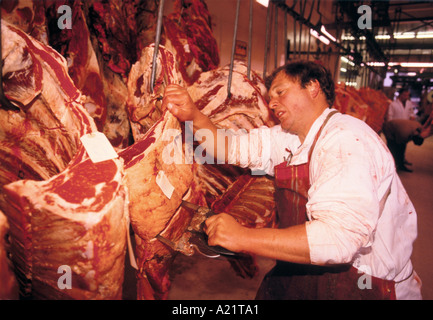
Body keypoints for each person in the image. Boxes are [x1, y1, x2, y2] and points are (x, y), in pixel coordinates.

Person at [162, 61, 422, 300]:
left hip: (365, 284)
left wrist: (242, 237)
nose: (272, 103)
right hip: (307, 270)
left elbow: (338, 240)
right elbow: (230, 147)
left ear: (312, 87)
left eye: (280, 92)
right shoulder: (287, 137)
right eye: (270, 97)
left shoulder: (346, 140)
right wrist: (193, 116)